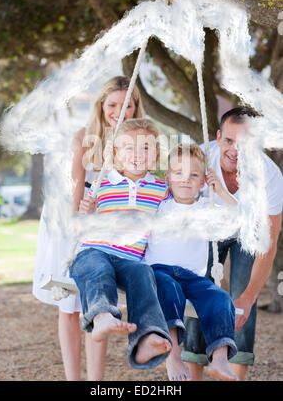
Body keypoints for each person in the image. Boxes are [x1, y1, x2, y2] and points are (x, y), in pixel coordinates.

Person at [32, 76, 145, 380]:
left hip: (105, 222)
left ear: (136, 107)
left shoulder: (139, 142)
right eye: (112, 104)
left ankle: (96, 381)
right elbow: (74, 187)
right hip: (69, 221)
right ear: (101, 106)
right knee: (69, 306)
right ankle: (73, 378)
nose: (120, 110)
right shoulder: (84, 136)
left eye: (127, 104)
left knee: (98, 304)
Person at [182, 107, 283, 381]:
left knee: (242, 298)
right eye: (228, 141)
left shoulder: (270, 178)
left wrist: (250, 296)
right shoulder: (199, 159)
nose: (234, 150)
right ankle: (194, 371)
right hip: (208, 227)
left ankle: (235, 373)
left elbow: (267, 243)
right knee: (196, 286)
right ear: (218, 137)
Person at [70, 118, 172, 370]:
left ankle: (147, 336)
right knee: (98, 268)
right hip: (95, 251)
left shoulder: (162, 188)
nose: (137, 154)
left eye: (146, 148)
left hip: (131, 259)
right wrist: (88, 212)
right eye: (129, 148)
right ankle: (102, 315)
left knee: (144, 274)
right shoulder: (102, 183)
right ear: (115, 152)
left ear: (156, 152)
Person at [144, 143, 238, 382]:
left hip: (192, 277)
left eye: (193, 175)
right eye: (178, 173)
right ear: (167, 177)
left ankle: (219, 359)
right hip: (159, 273)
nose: (185, 180)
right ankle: (174, 356)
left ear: (203, 181)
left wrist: (222, 192)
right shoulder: (157, 205)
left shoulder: (208, 208)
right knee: (168, 290)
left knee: (220, 298)